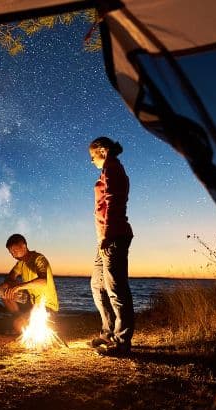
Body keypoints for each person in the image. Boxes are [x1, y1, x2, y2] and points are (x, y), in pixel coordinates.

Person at [88, 136, 134, 356]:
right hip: (104, 238)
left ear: (102, 151)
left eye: (92, 155)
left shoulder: (113, 169)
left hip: (113, 236)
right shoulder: (108, 170)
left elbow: (114, 203)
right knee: (97, 286)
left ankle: (122, 342)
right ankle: (107, 332)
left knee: (116, 290)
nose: (91, 160)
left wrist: (106, 235)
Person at [0, 233, 59, 334]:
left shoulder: (39, 259)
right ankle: (20, 318)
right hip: (31, 304)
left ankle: (24, 325)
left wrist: (19, 286)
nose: (13, 255)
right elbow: (10, 277)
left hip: (46, 306)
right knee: (4, 289)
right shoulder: (21, 263)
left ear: (23, 246)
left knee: (18, 325)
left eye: (14, 251)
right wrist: (10, 287)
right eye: (11, 252)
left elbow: (43, 281)